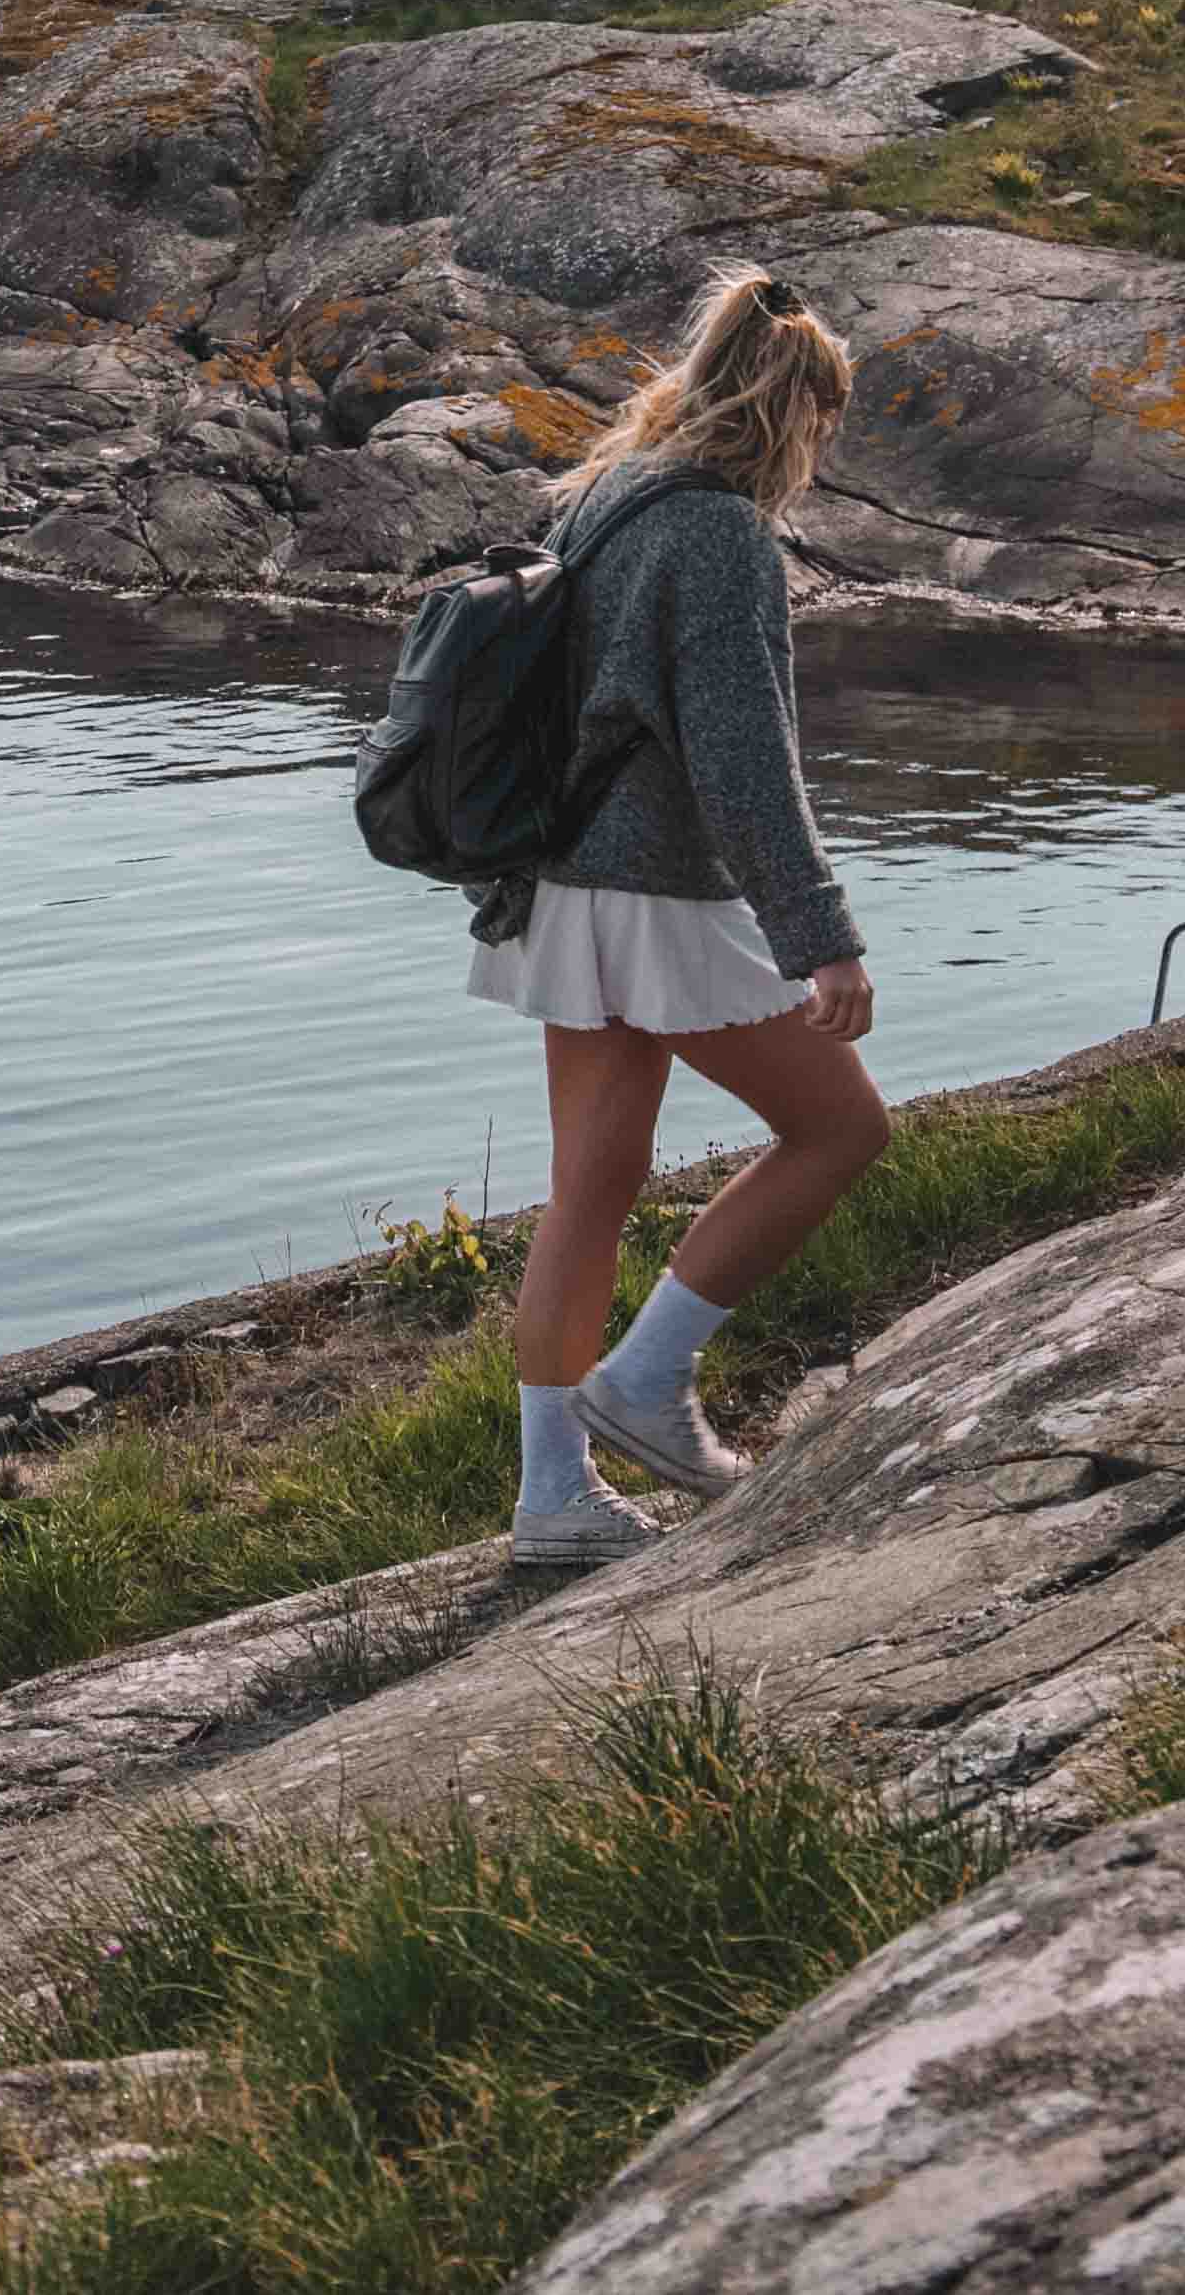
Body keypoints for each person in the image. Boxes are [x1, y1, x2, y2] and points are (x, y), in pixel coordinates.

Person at [468, 261, 890, 1570]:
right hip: (649, 886)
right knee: (837, 1125)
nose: (819, 455)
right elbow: (740, 763)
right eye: (821, 426)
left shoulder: (595, 501)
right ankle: (646, 1380)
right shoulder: (715, 535)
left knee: (588, 1185)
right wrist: (818, 933)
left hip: (552, 881)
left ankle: (553, 1495)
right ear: (787, 411)